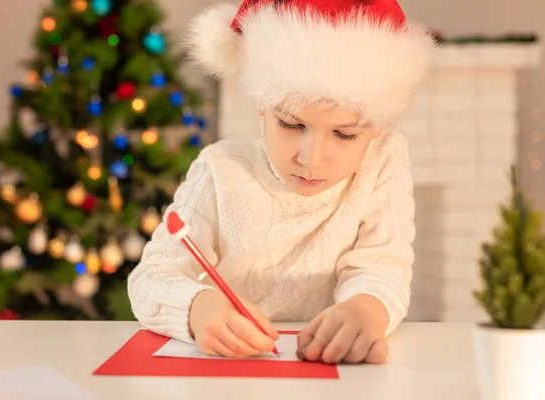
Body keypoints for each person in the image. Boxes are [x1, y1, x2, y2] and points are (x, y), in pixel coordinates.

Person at [127, 0, 435, 365]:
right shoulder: (220, 170)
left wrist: (367, 309)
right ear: (261, 102)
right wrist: (198, 308)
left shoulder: (384, 159)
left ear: (377, 127)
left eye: (345, 134)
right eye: (291, 125)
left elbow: (383, 267)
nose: (311, 158)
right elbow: (150, 278)